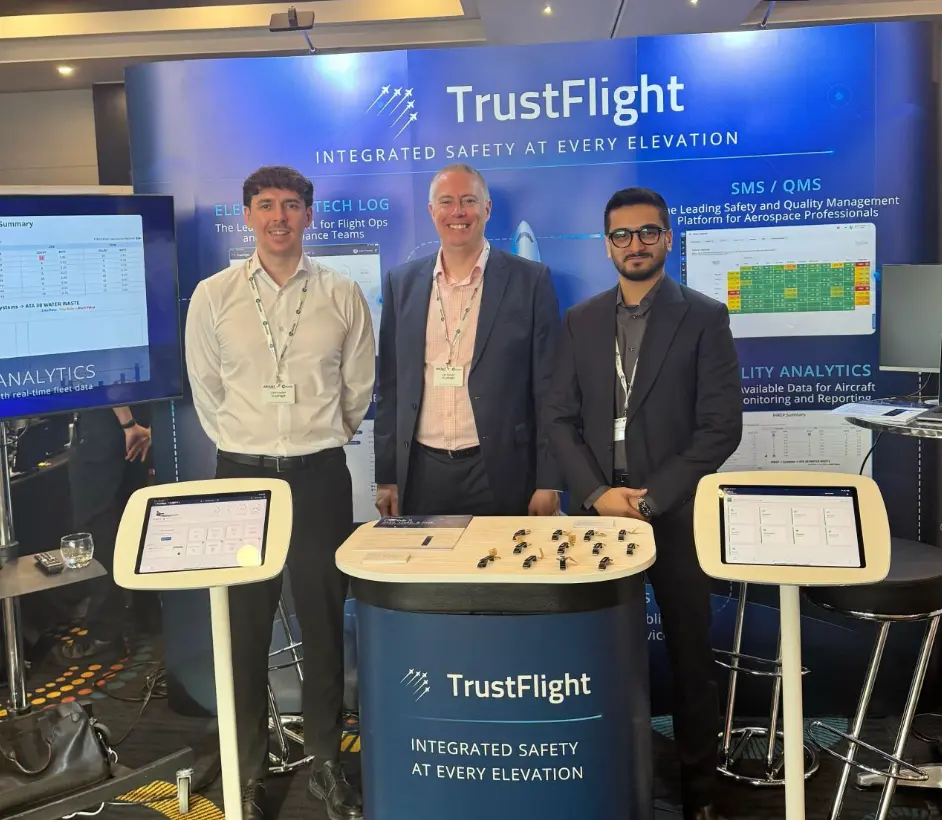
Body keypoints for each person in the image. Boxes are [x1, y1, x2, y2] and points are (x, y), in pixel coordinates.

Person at [543, 187, 743, 820]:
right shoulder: (581, 321)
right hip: (599, 516)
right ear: (607, 246)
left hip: (674, 514)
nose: (636, 244)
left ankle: (699, 793)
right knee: (594, 652)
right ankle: (601, 781)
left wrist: (651, 500)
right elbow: (558, 418)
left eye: (648, 232)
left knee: (690, 656)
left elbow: (721, 428)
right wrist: (598, 493)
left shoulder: (704, 317)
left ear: (668, 238)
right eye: (622, 235)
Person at [185, 166, 374, 820]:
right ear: (247, 216)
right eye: (265, 205)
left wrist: (315, 440)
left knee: (324, 625)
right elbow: (207, 389)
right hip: (242, 478)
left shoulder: (341, 292)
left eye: (291, 205)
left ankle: (325, 762)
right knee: (242, 628)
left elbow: (357, 387)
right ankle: (247, 770)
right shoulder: (214, 295)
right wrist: (252, 446)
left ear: (308, 215)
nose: (278, 217)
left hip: (319, 476)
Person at [374, 163, 561, 518]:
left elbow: (550, 388)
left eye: (468, 200)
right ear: (432, 211)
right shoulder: (402, 283)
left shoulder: (529, 280)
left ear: (487, 208)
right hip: (422, 471)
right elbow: (391, 388)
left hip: (501, 471)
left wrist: (549, 480)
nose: (457, 212)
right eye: (446, 202)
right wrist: (386, 476)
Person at [59, 405, 154, 662]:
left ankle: (105, 633)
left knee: (98, 528)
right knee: (135, 520)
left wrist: (127, 422)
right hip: (140, 422)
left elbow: (108, 381)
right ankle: (146, 617)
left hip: (108, 425)